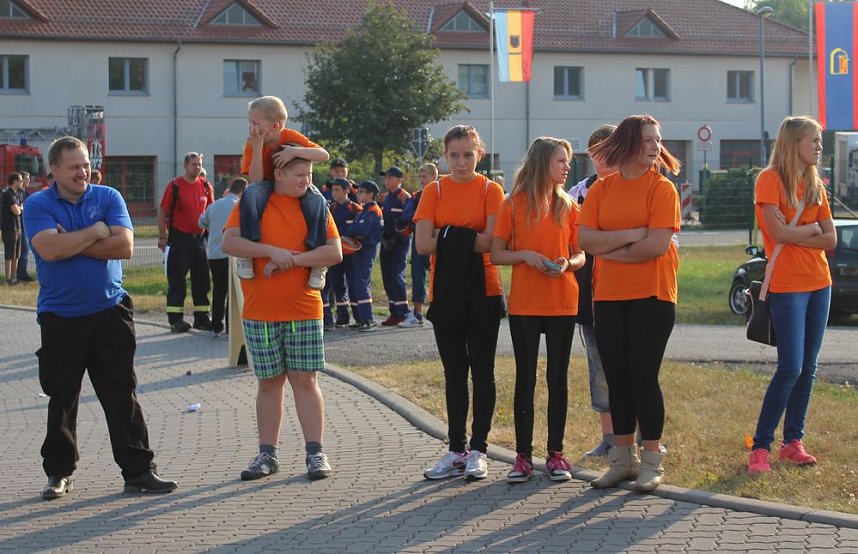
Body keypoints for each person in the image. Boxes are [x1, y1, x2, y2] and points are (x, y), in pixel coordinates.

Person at [24, 136, 177, 500]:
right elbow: (49, 248)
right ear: (54, 170)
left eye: (86, 164)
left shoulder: (108, 197)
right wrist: (95, 232)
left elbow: (123, 246)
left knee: (122, 393)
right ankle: (59, 472)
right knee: (62, 397)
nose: (84, 171)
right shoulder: (37, 204)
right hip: (60, 317)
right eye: (74, 166)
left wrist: (72, 242)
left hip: (110, 312)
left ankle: (139, 471)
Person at [578, 114, 681, 492]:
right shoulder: (603, 189)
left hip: (653, 295)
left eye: (658, 139)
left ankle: (652, 460)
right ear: (627, 144)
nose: (655, 146)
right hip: (608, 296)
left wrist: (611, 246)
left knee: (642, 377)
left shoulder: (662, 189)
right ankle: (621, 460)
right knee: (617, 379)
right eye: (648, 140)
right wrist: (631, 237)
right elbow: (586, 240)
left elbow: (656, 246)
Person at [222, 155, 341, 481]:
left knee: (305, 380)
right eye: (300, 174)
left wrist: (294, 260)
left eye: (309, 174)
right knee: (269, 384)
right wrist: (270, 252)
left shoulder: (315, 208)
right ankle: (267, 454)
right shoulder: (253, 205)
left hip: (304, 309)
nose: (307, 180)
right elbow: (228, 242)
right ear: (279, 174)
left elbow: (334, 252)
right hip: (260, 312)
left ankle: (315, 452)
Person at [491, 137, 585, 483]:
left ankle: (556, 454)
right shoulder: (513, 204)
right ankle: (522, 456)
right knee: (525, 378)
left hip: (562, 301)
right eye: (561, 161)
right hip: (526, 305)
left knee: (557, 379)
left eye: (568, 161)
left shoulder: (569, 205)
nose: (566, 168)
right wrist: (525, 256)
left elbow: (581, 254)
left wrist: (567, 264)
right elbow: (497, 253)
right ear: (543, 162)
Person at [415, 125, 505, 481]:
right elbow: (423, 243)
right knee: (454, 373)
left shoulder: (491, 189)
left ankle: (479, 449)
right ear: (445, 156)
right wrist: (465, 235)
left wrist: (447, 233)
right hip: (446, 292)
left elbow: (491, 241)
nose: (462, 161)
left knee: (483, 372)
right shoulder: (433, 191)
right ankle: (456, 448)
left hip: (484, 290)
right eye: (455, 155)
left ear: (479, 154)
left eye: (468, 154)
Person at [748, 116, 835, 474]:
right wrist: (810, 228)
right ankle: (760, 447)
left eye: (819, 141)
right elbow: (775, 232)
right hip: (787, 285)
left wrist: (800, 230)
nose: (819, 147)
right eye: (813, 140)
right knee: (790, 367)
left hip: (820, 283)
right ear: (792, 143)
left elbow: (830, 240)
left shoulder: (815, 184)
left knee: (809, 368)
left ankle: (792, 442)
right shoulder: (769, 180)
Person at [236, 96, 330, 288]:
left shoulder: (290, 137)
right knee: (250, 193)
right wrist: (257, 148)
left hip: (295, 183)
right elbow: (255, 180)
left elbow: (324, 155)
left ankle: (318, 263)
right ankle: (247, 253)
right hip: (268, 184)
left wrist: (294, 152)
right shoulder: (252, 144)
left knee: (318, 200)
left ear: (275, 126)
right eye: (249, 123)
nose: (251, 128)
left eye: (255, 123)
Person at [568, 124, 618, 457]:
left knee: (634, 365)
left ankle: (643, 432)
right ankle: (610, 436)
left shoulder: (636, 188)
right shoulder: (576, 194)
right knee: (599, 364)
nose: (602, 157)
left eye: (609, 150)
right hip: (590, 293)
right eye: (596, 151)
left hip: (628, 289)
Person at [156, 152, 215, 333]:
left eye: (199, 164)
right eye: (193, 164)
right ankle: (176, 319)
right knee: (177, 282)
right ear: (185, 166)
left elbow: (211, 212)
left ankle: (202, 318)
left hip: (199, 240)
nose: (196, 167)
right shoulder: (175, 186)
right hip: (180, 239)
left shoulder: (205, 186)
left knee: (202, 280)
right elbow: (162, 211)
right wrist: (162, 236)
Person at [199, 177, 247, 337]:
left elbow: (201, 222)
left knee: (219, 291)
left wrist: (213, 230)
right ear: (242, 191)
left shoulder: (214, 205)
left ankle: (216, 327)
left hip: (213, 254)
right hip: (231, 255)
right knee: (233, 293)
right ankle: (231, 327)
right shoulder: (239, 206)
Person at [398, 163, 437, 328]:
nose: (421, 180)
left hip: (438, 239)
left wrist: (423, 215)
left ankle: (440, 310)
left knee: (440, 274)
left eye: (424, 176)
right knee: (417, 276)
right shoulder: (416, 196)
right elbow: (406, 215)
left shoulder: (441, 193)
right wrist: (426, 214)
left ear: (433, 177)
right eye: (420, 177)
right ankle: (417, 314)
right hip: (420, 239)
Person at [343, 180, 384, 332]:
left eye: (362, 192)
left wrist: (353, 231)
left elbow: (362, 230)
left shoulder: (374, 210)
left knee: (361, 284)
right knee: (354, 285)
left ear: (371, 194)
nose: (358, 194)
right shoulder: (363, 211)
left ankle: (369, 319)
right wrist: (352, 231)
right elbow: (352, 228)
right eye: (358, 192)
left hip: (365, 252)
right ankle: (360, 318)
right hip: (356, 252)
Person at [322, 178, 362, 330]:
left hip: (351, 254)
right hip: (335, 253)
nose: (334, 193)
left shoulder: (355, 209)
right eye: (333, 190)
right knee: (337, 284)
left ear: (347, 191)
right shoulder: (330, 209)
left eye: (338, 190)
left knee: (353, 284)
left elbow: (360, 231)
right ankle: (342, 316)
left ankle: (359, 316)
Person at [379, 166, 411, 326]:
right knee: (387, 277)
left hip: (399, 243)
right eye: (386, 178)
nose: (387, 181)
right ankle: (394, 311)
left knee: (397, 275)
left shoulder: (405, 198)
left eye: (391, 178)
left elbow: (408, 221)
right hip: (385, 242)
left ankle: (403, 311)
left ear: (400, 180)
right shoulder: (384, 198)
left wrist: (397, 237)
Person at [2, 172, 24, 285]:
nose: (22, 182)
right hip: (9, 227)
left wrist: (19, 208)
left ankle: (14, 277)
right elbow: (16, 211)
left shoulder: (18, 194)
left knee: (16, 254)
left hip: (18, 227)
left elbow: (20, 208)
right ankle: (7, 278)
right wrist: (20, 208)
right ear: (14, 181)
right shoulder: (8, 194)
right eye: (20, 180)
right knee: (9, 254)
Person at [16, 171, 34, 282]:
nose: (28, 181)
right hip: (20, 225)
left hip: (24, 224)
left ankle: (22, 273)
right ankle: (21, 275)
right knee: (24, 250)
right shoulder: (18, 193)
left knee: (24, 250)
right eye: (26, 178)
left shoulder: (24, 192)